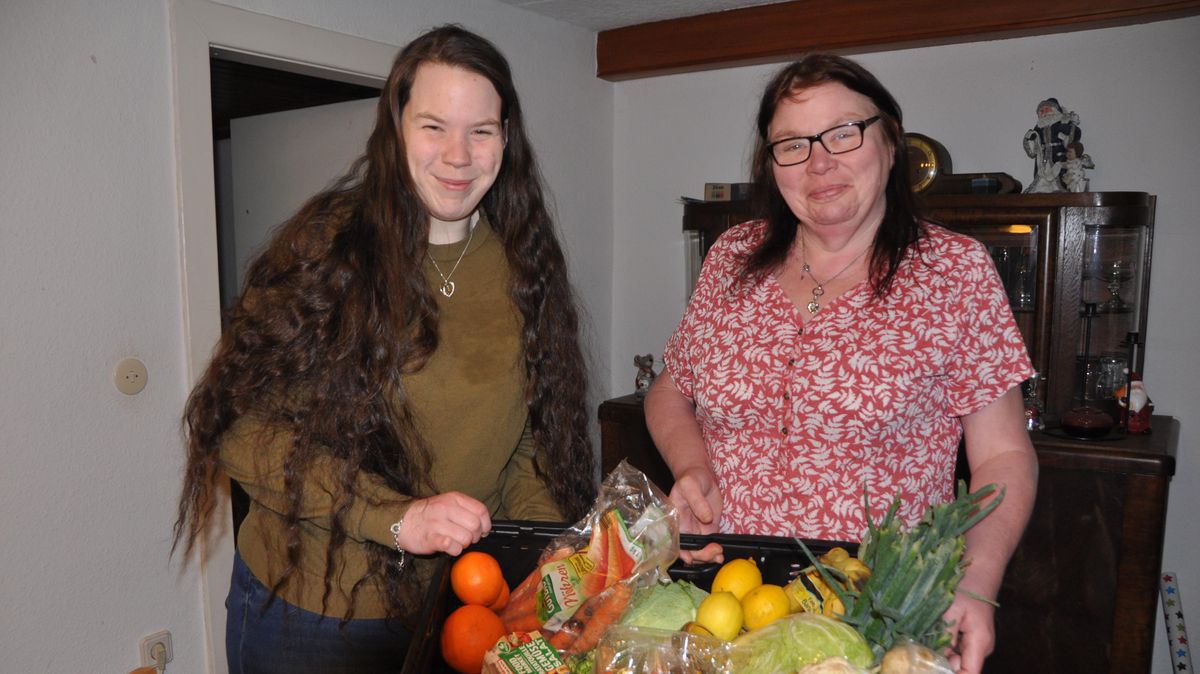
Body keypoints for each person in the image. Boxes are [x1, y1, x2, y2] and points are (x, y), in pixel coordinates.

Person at [172, 25, 595, 674]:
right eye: (433, 126)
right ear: (395, 129)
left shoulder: (524, 265)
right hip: (307, 613)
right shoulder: (327, 246)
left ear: (507, 139)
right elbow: (242, 428)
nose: (458, 155)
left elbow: (523, 445)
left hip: (450, 603)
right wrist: (396, 518)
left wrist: (546, 548)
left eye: (481, 130)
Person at [645, 54, 1037, 674]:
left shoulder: (954, 272)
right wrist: (692, 467)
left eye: (843, 133)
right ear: (772, 165)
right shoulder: (731, 257)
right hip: (724, 599)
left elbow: (1005, 457)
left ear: (890, 142)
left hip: (876, 615)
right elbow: (671, 391)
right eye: (793, 144)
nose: (819, 162)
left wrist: (974, 581)